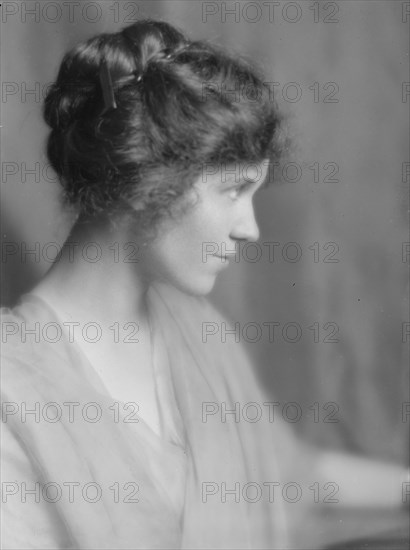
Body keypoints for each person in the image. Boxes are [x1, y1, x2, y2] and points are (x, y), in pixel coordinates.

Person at [1, 18, 408, 550]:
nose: (251, 229)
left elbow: (286, 478)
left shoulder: (195, 329)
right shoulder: (13, 393)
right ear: (148, 180)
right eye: (234, 190)